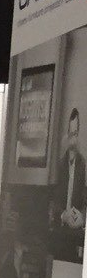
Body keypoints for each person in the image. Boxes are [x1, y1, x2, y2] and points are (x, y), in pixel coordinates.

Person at [49, 107, 86, 264]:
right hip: (58, 231)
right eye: (70, 134)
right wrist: (63, 215)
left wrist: (82, 218)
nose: (73, 140)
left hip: (77, 234)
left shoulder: (83, 166)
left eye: (75, 134)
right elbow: (51, 200)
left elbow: (85, 199)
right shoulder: (58, 165)